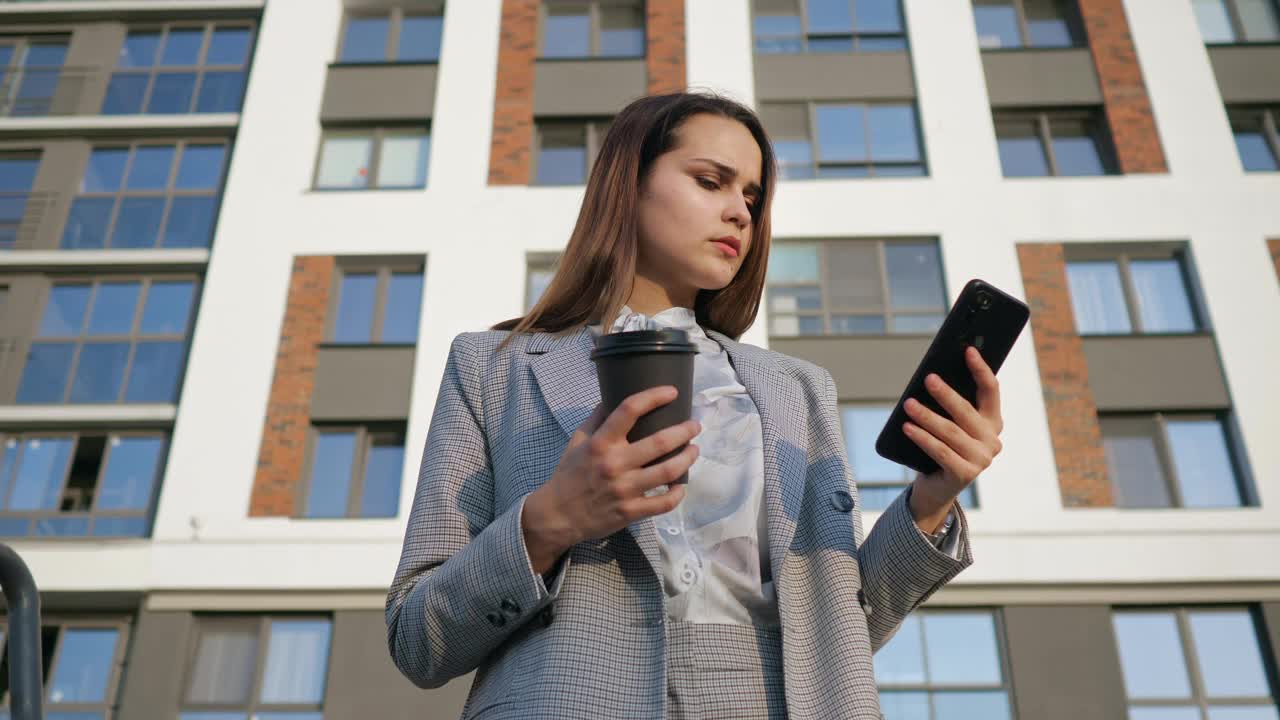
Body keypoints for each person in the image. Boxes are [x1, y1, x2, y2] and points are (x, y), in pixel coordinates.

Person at [386, 91, 1006, 719]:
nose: (740, 212)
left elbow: (840, 634)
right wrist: (550, 521)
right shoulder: (495, 367)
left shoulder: (799, 390)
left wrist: (933, 501)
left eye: (753, 198)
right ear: (629, 184)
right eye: (712, 181)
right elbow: (419, 641)